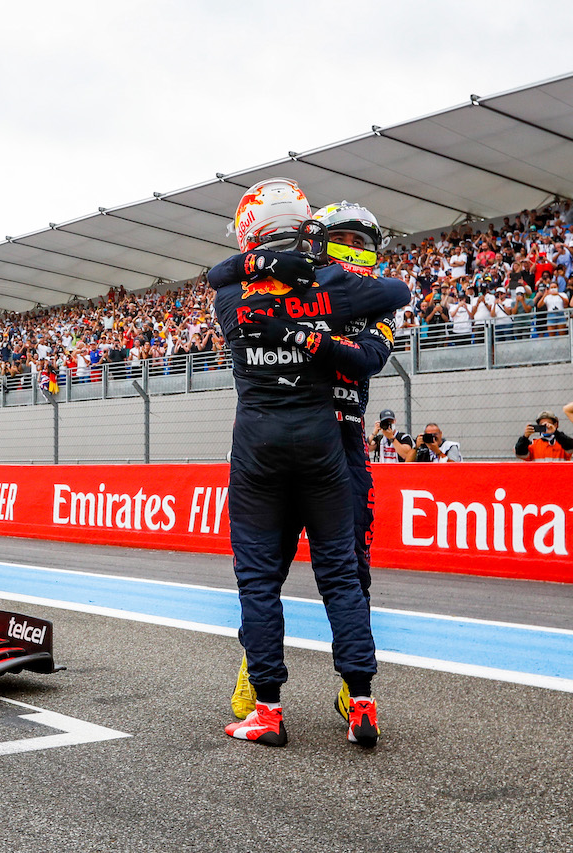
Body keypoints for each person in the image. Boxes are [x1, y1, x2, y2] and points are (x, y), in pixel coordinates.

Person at [208, 178, 409, 749]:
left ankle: (289, 701)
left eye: (357, 238)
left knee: (278, 579)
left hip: (304, 448)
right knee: (336, 576)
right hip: (326, 444)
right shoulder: (331, 286)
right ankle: (333, 691)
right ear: (313, 235)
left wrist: (291, 329)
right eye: (339, 236)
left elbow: (369, 357)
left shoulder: (318, 289)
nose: (350, 246)